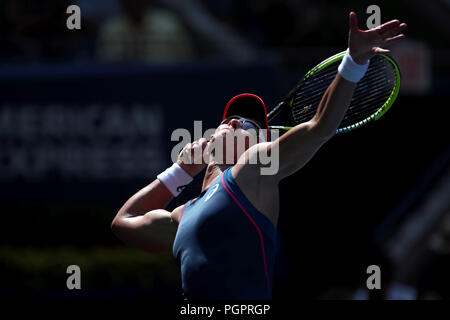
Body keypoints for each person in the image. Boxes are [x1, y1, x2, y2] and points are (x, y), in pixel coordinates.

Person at [111, 12, 406, 299]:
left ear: (260, 147)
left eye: (248, 124)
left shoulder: (252, 173)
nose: (235, 121)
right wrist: (181, 171)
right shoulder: (180, 216)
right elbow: (124, 223)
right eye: (228, 121)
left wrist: (353, 62)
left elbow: (320, 126)